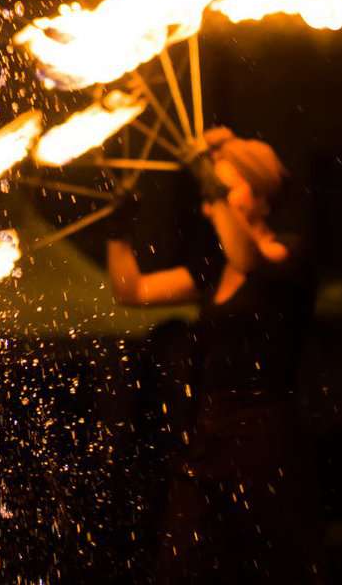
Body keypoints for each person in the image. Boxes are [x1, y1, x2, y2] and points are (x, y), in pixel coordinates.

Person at [105, 126, 322, 582]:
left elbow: (248, 259)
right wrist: (119, 230)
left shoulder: (291, 255)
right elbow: (133, 290)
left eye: (224, 186)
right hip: (209, 437)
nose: (211, 198)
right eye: (210, 186)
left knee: (263, 566)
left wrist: (210, 177)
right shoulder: (213, 268)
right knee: (182, 564)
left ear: (262, 195)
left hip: (264, 439)